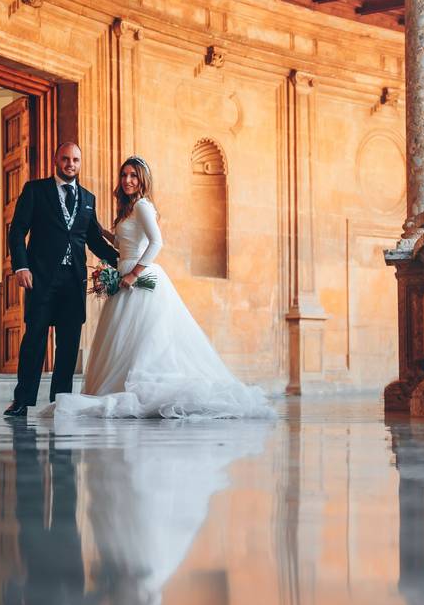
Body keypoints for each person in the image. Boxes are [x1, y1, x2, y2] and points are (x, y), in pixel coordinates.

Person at [45, 155, 274, 419]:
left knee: (144, 341)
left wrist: (134, 275)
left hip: (139, 280)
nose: (128, 180)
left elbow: (156, 243)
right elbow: (124, 246)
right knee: (125, 341)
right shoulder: (128, 208)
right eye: (124, 175)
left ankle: (144, 390)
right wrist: (101, 231)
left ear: (142, 180)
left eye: (133, 175)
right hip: (124, 276)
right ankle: (121, 386)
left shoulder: (142, 205)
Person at [4, 142, 119, 417]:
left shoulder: (88, 199)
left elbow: (94, 241)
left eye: (76, 160)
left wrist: (123, 262)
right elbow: (18, 231)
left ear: (80, 163)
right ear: (56, 159)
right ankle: (22, 400)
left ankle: (61, 401)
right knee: (34, 340)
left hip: (73, 281)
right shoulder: (35, 190)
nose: (70, 164)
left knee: (68, 345)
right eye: (66, 159)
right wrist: (21, 267)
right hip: (40, 278)